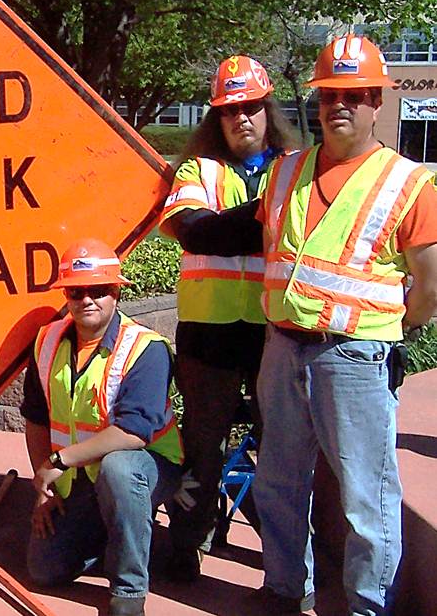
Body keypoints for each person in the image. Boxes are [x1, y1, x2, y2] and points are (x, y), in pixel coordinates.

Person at [199, 34, 437, 615]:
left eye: (355, 95)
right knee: (279, 483)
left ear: (376, 101)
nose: (341, 106)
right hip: (281, 350)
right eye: (331, 94)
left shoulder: (408, 183)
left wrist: (388, 334)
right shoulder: (287, 173)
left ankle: (365, 605)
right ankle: (285, 588)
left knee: (365, 497)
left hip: (353, 356)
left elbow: (429, 287)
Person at [159, 55, 300, 580]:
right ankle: (189, 544)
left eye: (251, 107)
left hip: (273, 333)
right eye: (229, 110)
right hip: (208, 336)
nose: (241, 118)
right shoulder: (198, 170)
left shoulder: (295, 167)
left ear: (268, 110)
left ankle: (286, 564)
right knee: (202, 449)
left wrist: (234, 223)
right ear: (215, 119)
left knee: (282, 454)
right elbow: (197, 232)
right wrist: (267, 213)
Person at [21, 239, 183, 616]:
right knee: (45, 569)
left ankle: (129, 591)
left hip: (148, 467)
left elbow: (134, 432)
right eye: (77, 292)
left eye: (99, 290)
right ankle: (124, 534)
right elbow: (36, 418)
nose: (87, 300)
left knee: (119, 468)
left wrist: (59, 461)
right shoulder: (47, 342)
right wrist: (43, 487)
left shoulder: (146, 348)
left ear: (116, 293)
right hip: (80, 477)